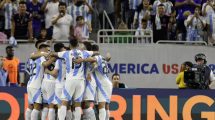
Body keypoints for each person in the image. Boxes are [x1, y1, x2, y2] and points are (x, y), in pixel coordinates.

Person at [75, 44, 113, 120]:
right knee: (105, 106)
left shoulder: (95, 57)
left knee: (101, 105)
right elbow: (104, 59)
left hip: (102, 83)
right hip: (105, 82)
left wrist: (88, 69)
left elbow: (94, 63)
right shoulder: (102, 58)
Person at [25, 42, 55, 120]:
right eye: (47, 50)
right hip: (36, 84)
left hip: (30, 83)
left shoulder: (32, 58)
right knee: (37, 106)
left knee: (31, 105)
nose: (48, 52)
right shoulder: (41, 57)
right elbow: (46, 64)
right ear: (42, 49)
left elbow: (31, 56)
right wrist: (54, 58)